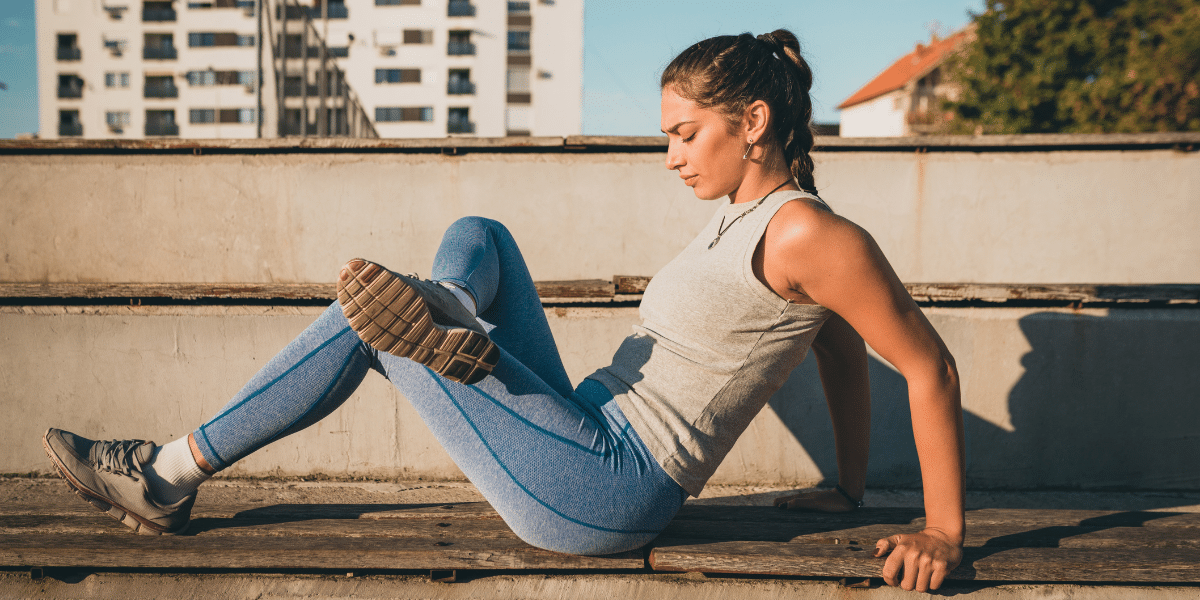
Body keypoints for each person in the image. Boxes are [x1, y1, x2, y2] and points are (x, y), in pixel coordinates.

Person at [41, 30, 964, 593]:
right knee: (481, 233)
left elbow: (926, 365)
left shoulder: (810, 234)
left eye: (684, 135)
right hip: (586, 426)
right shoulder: (752, 219)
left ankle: (164, 475)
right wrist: (846, 486)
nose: (671, 157)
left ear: (752, 122)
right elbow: (837, 344)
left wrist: (944, 531)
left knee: (375, 323)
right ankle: (445, 311)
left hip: (610, 488)